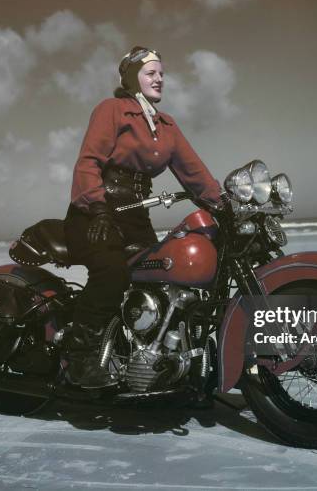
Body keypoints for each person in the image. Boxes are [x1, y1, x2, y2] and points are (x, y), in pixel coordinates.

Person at [64, 46, 223, 388]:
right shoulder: (113, 110)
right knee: (112, 273)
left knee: (161, 281)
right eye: (151, 73)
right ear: (131, 77)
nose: (159, 79)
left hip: (135, 216)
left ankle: (147, 358)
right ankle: (79, 358)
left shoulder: (166, 125)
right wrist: (97, 206)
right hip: (97, 214)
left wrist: (223, 202)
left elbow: (193, 172)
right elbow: (88, 162)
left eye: (162, 73)